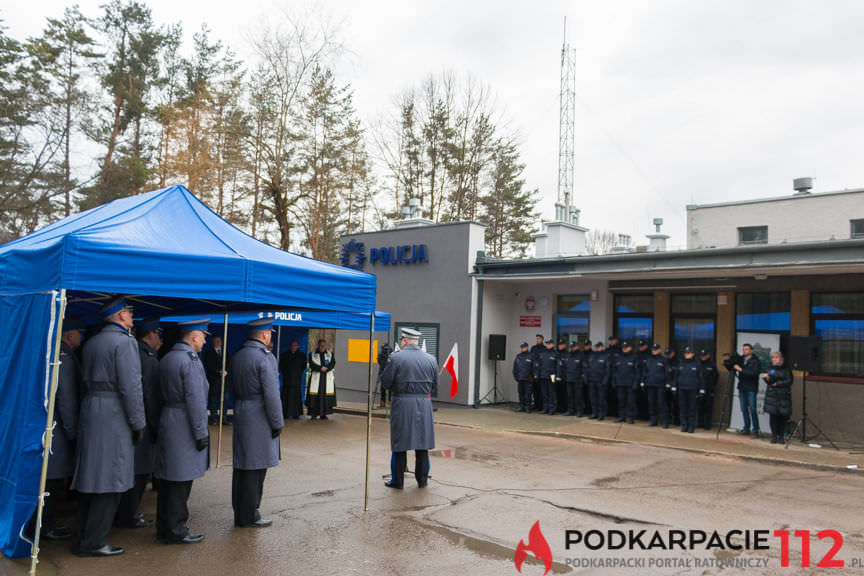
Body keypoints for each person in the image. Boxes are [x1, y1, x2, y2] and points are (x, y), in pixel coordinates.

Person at [71, 296, 145, 557]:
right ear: (122, 316)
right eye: (130, 312)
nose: (132, 317)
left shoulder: (93, 341)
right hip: (113, 414)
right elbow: (131, 387)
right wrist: (138, 423)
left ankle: (82, 537)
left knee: (91, 479)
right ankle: (94, 541)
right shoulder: (124, 343)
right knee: (110, 480)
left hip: (92, 410)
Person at [154, 319, 210, 544]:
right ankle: (176, 530)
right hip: (184, 424)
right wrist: (200, 432)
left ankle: (164, 527)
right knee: (181, 480)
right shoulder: (190, 361)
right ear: (194, 337)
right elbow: (195, 400)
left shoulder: (168, 357)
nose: (205, 341)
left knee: (168, 480)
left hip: (169, 418)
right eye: (203, 336)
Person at [231, 318, 284, 527]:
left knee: (242, 467)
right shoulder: (265, 358)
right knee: (256, 468)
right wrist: (277, 422)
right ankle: (250, 514)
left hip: (242, 410)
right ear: (264, 335)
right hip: (259, 415)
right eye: (269, 332)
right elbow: (272, 394)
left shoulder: (239, 355)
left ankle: (240, 512)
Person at [115, 318, 162, 529]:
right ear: (150, 335)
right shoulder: (148, 358)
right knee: (139, 472)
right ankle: (128, 515)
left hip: (130, 419)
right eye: (157, 333)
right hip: (143, 420)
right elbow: (150, 395)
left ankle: (124, 513)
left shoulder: (138, 352)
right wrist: (153, 425)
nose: (160, 338)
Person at [40, 319, 84, 541]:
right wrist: (72, 431)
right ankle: (45, 527)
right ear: (68, 335)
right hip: (57, 430)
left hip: (48, 427)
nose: (81, 335)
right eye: (78, 331)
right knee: (51, 482)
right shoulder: (63, 358)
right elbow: (66, 397)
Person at [380, 327, 438, 489]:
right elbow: (435, 385)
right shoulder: (431, 359)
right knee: (422, 444)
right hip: (423, 404)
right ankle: (422, 480)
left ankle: (398, 481)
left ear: (404, 341)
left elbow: (385, 382)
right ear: (416, 341)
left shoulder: (396, 358)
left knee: (400, 445)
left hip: (402, 403)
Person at [763, 350, 793, 444]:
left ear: (781, 359)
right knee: (773, 416)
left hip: (783, 395)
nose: (774, 360)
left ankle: (781, 436)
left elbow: (789, 381)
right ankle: (774, 436)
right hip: (772, 396)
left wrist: (777, 384)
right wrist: (767, 379)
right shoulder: (770, 368)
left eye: (776, 358)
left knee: (782, 417)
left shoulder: (786, 369)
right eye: (773, 358)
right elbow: (770, 382)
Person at [733, 343, 762, 437]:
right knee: (743, 408)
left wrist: (741, 370)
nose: (744, 351)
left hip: (751, 388)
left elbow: (753, 373)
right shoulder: (741, 359)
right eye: (743, 349)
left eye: (746, 349)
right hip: (742, 387)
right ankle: (746, 427)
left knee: (752, 409)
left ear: (751, 350)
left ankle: (756, 430)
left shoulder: (755, 361)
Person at [675, 346, 704, 433]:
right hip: (682, 388)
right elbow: (676, 376)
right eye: (686, 353)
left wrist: (702, 388)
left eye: (689, 353)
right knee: (683, 408)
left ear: (693, 354)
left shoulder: (697, 364)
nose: (687, 355)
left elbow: (701, 378)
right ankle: (684, 425)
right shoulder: (680, 364)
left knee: (692, 408)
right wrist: (674, 386)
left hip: (692, 389)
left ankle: (691, 426)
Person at [203, 335, 230, 425]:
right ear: (212, 342)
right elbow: (208, 365)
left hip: (224, 381)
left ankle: (224, 418)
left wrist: (226, 371)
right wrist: (218, 372)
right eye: (216, 341)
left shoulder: (225, 352)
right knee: (213, 400)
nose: (218, 343)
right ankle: (214, 418)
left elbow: (229, 363)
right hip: (214, 380)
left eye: (219, 341)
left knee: (225, 400)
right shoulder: (208, 352)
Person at [642, 344, 670, 428]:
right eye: (653, 349)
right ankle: (653, 421)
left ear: (659, 350)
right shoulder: (649, 360)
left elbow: (667, 372)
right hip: (650, 384)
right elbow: (645, 371)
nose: (654, 351)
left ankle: (664, 421)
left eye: (655, 349)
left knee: (661, 403)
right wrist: (643, 381)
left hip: (660, 385)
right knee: (651, 403)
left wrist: (667, 383)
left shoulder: (664, 360)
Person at [307, 338, 336, 419]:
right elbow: (311, 364)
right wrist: (320, 368)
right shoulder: (312, 354)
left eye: (323, 346)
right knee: (315, 397)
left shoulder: (330, 354)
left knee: (325, 397)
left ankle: (324, 414)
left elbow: (333, 363)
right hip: (316, 379)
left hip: (326, 379)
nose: (322, 347)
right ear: (318, 345)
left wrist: (327, 368)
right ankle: (314, 414)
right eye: (321, 345)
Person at [279, 339, 307, 419]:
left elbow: (303, 366)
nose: (293, 347)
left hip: (296, 380)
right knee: (286, 397)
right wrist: (287, 373)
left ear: (298, 346)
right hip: (287, 379)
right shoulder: (284, 355)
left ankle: (296, 413)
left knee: (296, 397)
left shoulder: (302, 355)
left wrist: (297, 373)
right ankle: (285, 413)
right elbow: (281, 366)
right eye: (292, 345)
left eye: (295, 345)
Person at [612, 341, 639, 423]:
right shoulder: (619, 357)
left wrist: (635, 383)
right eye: (623, 347)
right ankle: (622, 417)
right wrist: (614, 381)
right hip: (620, 383)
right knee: (621, 401)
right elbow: (615, 371)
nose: (624, 349)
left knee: (631, 402)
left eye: (626, 347)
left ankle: (631, 418)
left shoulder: (634, 358)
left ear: (630, 348)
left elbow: (637, 372)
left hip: (630, 384)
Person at [586, 341, 611, 420]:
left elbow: (608, 370)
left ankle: (601, 414)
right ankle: (594, 413)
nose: (597, 348)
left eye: (599, 347)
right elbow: (588, 368)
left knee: (601, 399)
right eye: (596, 347)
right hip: (592, 380)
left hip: (601, 381)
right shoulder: (592, 356)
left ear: (602, 347)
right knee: (593, 398)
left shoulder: (606, 356)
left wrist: (605, 380)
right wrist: (587, 378)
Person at [537, 339, 559, 415]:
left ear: (552, 345)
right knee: (544, 393)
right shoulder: (542, 353)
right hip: (543, 376)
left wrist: (557, 376)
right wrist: (538, 374)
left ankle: (552, 409)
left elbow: (558, 366)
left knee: (551, 393)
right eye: (547, 344)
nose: (548, 345)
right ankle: (545, 408)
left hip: (552, 376)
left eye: (549, 344)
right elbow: (539, 365)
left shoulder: (555, 354)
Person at [698, 349, 718, 430]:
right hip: (699, 389)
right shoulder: (698, 364)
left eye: (704, 355)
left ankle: (707, 425)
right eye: (702, 355)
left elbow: (715, 377)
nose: (703, 357)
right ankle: (700, 423)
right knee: (699, 407)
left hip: (709, 389)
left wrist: (712, 387)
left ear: (708, 356)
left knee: (708, 407)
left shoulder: (712, 365)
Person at [512, 342, 534, 413]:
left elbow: (534, 368)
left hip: (528, 379)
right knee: (520, 393)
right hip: (520, 378)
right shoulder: (518, 356)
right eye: (521, 347)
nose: (522, 348)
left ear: (527, 347)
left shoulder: (531, 356)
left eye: (524, 347)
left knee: (528, 394)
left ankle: (528, 407)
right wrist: (515, 376)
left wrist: (533, 376)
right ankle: (521, 406)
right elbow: (515, 367)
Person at [565, 342, 585, 416]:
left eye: (573, 347)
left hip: (577, 379)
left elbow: (584, 368)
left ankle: (579, 410)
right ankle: (570, 410)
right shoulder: (568, 355)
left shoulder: (581, 355)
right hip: (569, 378)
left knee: (578, 396)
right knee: (569, 396)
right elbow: (565, 367)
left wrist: (582, 377)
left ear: (577, 347)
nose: (572, 348)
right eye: (571, 347)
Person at [529, 334, 546, 412]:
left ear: (542, 340)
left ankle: (541, 406)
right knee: (534, 390)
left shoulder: (544, 349)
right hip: (533, 371)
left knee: (541, 391)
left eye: (539, 339)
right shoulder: (533, 348)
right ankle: (535, 404)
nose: (537, 340)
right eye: (537, 339)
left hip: (541, 372)